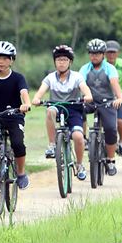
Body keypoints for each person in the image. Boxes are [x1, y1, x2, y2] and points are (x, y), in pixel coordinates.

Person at [31, 45, 93, 180]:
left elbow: (86, 91)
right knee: (49, 111)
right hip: (57, 107)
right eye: (59, 60)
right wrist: (36, 99)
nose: (62, 62)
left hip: (74, 109)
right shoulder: (50, 78)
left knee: (78, 136)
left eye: (65, 60)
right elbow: (40, 92)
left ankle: (79, 164)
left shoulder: (77, 77)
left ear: (70, 62)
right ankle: (52, 145)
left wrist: (87, 96)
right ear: (55, 62)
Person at [0, 41, 31, 189]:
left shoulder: (18, 78)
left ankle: (21, 173)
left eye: (5, 58)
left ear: (11, 60)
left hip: (14, 115)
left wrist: (25, 104)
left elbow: (24, 93)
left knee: (17, 143)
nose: (1, 61)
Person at [79, 38, 122, 176]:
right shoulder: (85, 68)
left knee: (111, 128)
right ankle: (84, 138)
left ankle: (110, 160)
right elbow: (80, 84)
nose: (94, 56)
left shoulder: (109, 68)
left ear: (103, 54)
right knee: (78, 110)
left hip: (107, 102)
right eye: (92, 53)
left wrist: (120, 97)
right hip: (90, 101)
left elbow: (114, 83)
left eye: (97, 53)